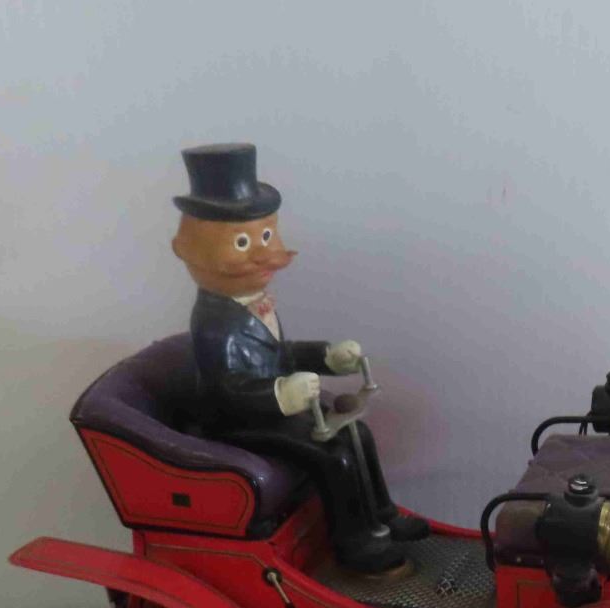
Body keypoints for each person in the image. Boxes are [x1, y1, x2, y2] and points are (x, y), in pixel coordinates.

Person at [171, 143, 425, 573]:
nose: (264, 252)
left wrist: (328, 357)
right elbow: (227, 389)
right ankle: (355, 544)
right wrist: (279, 393)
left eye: (266, 236)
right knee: (333, 455)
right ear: (188, 249)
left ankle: (382, 515)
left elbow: (281, 354)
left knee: (357, 432)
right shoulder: (214, 323)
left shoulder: (253, 304)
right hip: (236, 422)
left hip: (267, 411)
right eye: (242, 242)